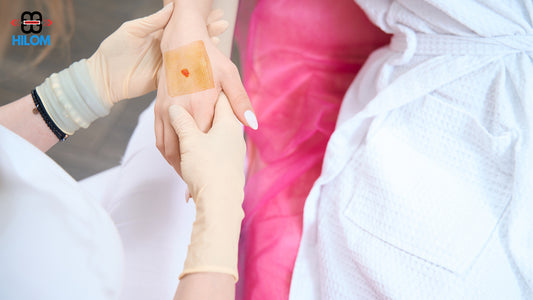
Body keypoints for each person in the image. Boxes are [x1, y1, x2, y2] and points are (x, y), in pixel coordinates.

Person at [0, 4, 249, 299]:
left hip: (54, 232)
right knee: (177, 143)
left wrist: (79, 91)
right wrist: (220, 214)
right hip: (73, 263)